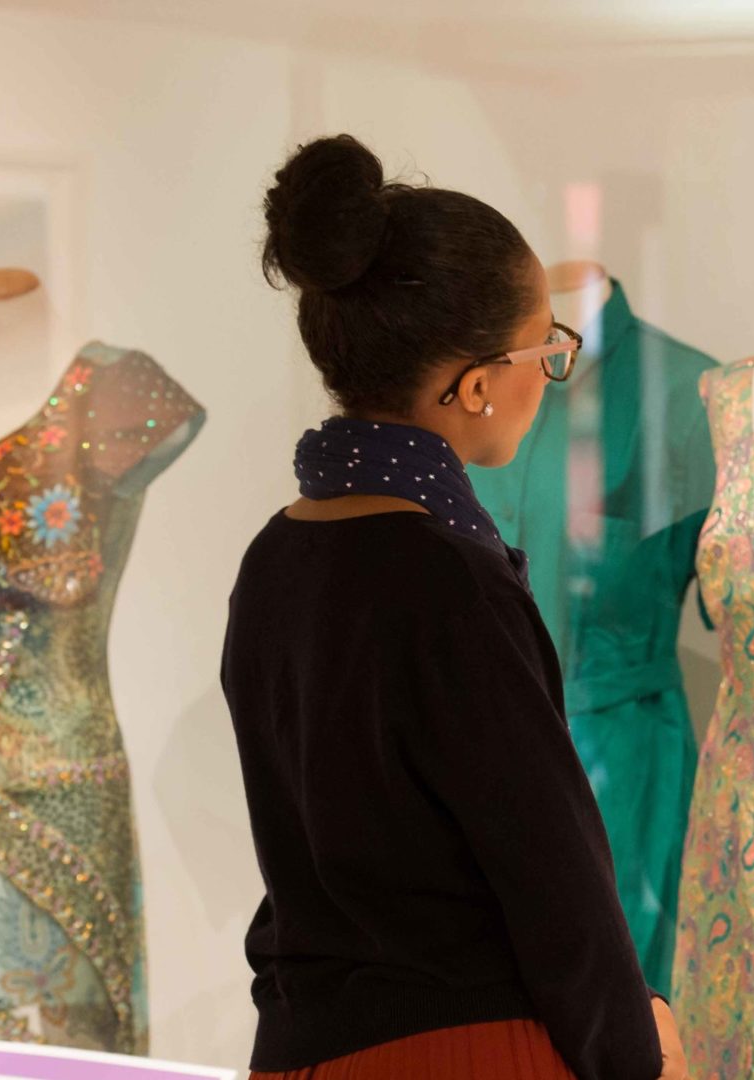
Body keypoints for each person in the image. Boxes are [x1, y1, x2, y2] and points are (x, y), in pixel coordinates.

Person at [221, 133, 686, 1080]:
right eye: (546, 351)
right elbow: (553, 884)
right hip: (461, 1049)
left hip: (300, 1050)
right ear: (477, 386)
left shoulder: (275, 554)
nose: (551, 375)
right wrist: (638, 1056)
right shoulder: (451, 580)